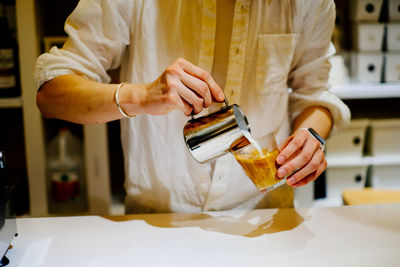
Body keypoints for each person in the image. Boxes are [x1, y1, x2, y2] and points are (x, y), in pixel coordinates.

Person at [35, 0, 350, 213]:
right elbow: (51, 94)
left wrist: (312, 135)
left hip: (264, 214)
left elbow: (316, 93)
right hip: (159, 220)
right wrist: (140, 96)